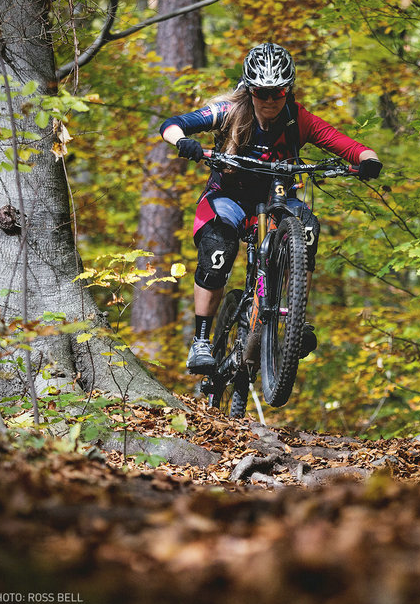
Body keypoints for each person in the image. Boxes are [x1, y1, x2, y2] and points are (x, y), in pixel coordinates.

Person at [159, 43, 382, 374]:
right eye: (262, 92)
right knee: (218, 250)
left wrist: (368, 161)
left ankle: (294, 318)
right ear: (250, 89)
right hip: (229, 197)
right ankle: (202, 341)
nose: (269, 100)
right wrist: (182, 142)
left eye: (277, 92)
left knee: (306, 227)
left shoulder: (298, 119)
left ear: (287, 89)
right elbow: (174, 124)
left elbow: (349, 146)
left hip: (278, 196)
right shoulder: (228, 110)